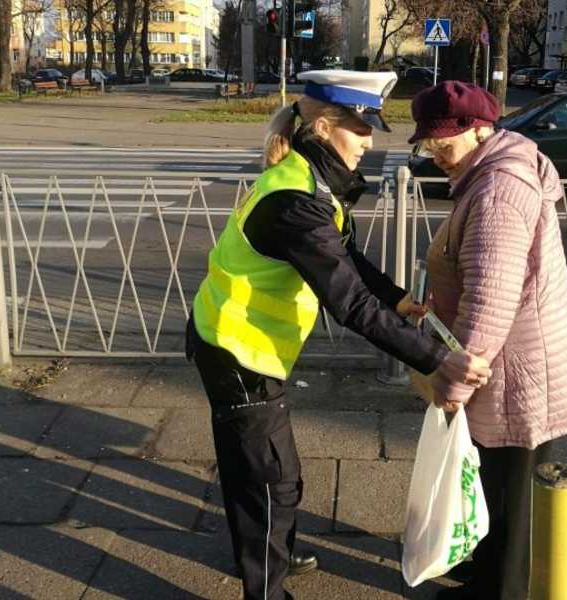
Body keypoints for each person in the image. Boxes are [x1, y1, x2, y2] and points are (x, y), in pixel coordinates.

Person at [186, 70, 492, 600]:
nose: (371, 141)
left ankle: (260, 554)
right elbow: (348, 302)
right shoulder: (296, 201)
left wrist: (396, 297)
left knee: (251, 469)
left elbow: (344, 255)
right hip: (238, 353)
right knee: (273, 482)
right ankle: (265, 586)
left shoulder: (307, 180)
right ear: (326, 127)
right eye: (363, 127)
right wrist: (434, 359)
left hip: (232, 340)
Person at [409, 81, 567, 600]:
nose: (434, 154)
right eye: (428, 144)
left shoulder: (498, 192)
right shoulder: (486, 175)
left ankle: (497, 590)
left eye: (443, 143)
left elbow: (489, 301)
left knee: (509, 499)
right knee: (491, 483)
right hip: (510, 366)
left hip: (513, 374)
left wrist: (452, 383)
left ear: (480, 130)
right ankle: (485, 570)